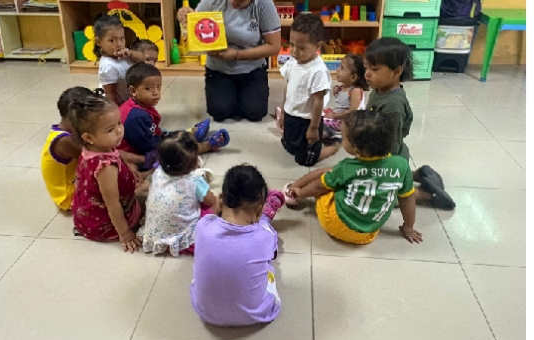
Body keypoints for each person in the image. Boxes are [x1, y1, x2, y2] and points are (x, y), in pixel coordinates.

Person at [284, 110, 421, 246]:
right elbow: (407, 198)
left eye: (344, 138)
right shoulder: (401, 165)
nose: (342, 140)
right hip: (368, 233)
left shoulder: (347, 167)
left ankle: (294, 190)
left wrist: (302, 193)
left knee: (325, 175)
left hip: (337, 224)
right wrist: (408, 227)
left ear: (357, 150)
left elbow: (319, 186)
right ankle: (425, 192)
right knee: (338, 177)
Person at [178, 0, 282, 122]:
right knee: (219, 112)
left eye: (240, 0)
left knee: (255, 113)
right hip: (218, 69)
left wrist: (237, 55)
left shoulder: (264, 6)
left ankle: (242, 94)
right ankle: (231, 95)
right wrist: (186, 17)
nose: (233, 2)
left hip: (251, 69)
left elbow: (274, 46)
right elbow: (196, 25)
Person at [362, 36, 453, 209]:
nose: (367, 73)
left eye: (374, 69)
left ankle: (426, 194)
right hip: (379, 148)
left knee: (381, 198)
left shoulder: (393, 106)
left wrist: (382, 164)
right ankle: (417, 175)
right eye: (366, 67)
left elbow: (393, 141)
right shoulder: (380, 89)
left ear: (396, 72)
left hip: (390, 155)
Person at [190, 164, 285, 327]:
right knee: (268, 268)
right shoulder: (265, 236)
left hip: (206, 313)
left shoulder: (203, 226)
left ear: (221, 200)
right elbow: (273, 253)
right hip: (256, 314)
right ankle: (266, 218)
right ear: (259, 208)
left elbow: (211, 215)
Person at [69, 92, 144, 247]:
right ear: (88, 137)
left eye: (119, 123)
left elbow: (116, 157)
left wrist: (127, 171)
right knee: (152, 198)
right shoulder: (106, 167)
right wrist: (125, 234)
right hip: (105, 224)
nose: (119, 130)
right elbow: (113, 204)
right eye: (110, 129)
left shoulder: (94, 148)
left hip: (87, 213)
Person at [120, 64, 228, 170]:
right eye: (148, 88)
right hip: (140, 156)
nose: (156, 92)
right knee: (177, 148)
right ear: (133, 91)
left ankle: (192, 134)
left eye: (158, 87)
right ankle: (207, 145)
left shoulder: (139, 105)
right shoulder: (137, 117)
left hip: (146, 142)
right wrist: (170, 141)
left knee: (167, 134)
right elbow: (147, 148)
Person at [140, 131, 218, 256]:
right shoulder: (194, 180)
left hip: (155, 235)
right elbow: (211, 201)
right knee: (218, 203)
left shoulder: (158, 172)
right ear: (195, 163)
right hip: (182, 238)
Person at [279, 12, 332, 167]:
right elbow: (288, 86)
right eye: (291, 44)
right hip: (292, 115)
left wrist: (313, 128)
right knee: (289, 146)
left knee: (306, 159)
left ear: (317, 47)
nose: (294, 51)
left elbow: (318, 101)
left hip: (308, 120)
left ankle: (332, 146)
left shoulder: (318, 71)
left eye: (301, 48)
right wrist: (284, 112)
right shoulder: (293, 61)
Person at [42, 86, 93, 211]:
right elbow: (98, 155)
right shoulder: (65, 141)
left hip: (74, 181)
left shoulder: (64, 131)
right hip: (69, 197)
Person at [94, 14, 144, 104]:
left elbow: (143, 58)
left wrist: (130, 53)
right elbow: (110, 95)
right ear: (99, 42)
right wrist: (118, 112)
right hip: (118, 104)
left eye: (122, 38)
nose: (119, 44)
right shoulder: (108, 66)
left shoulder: (125, 54)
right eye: (112, 40)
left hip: (130, 99)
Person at [322, 52, 367, 141]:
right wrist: (336, 91)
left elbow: (352, 112)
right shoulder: (342, 88)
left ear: (353, 77)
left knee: (319, 121)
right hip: (339, 117)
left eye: (342, 68)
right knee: (319, 112)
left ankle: (330, 135)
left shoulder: (355, 91)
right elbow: (341, 104)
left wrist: (334, 115)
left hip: (348, 122)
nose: (338, 70)